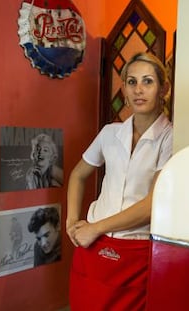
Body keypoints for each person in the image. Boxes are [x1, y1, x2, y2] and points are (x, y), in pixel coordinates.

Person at [66, 52, 173, 311]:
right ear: (124, 88)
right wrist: (72, 221)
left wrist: (95, 228)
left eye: (148, 81)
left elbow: (151, 204)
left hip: (135, 250)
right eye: (131, 82)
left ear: (164, 89)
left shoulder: (171, 138)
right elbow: (78, 175)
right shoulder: (109, 133)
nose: (139, 89)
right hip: (92, 247)